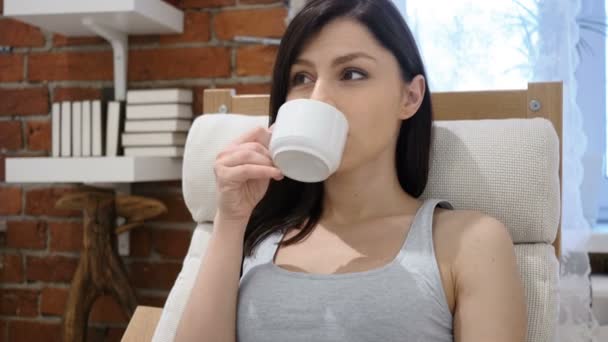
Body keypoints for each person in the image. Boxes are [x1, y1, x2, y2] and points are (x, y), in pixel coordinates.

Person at [175, 0, 527, 341]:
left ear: (410, 97)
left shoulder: (470, 242)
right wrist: (230, 219)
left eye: (352, 73)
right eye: (302, 77)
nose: (319, 98)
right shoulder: (255, 234)